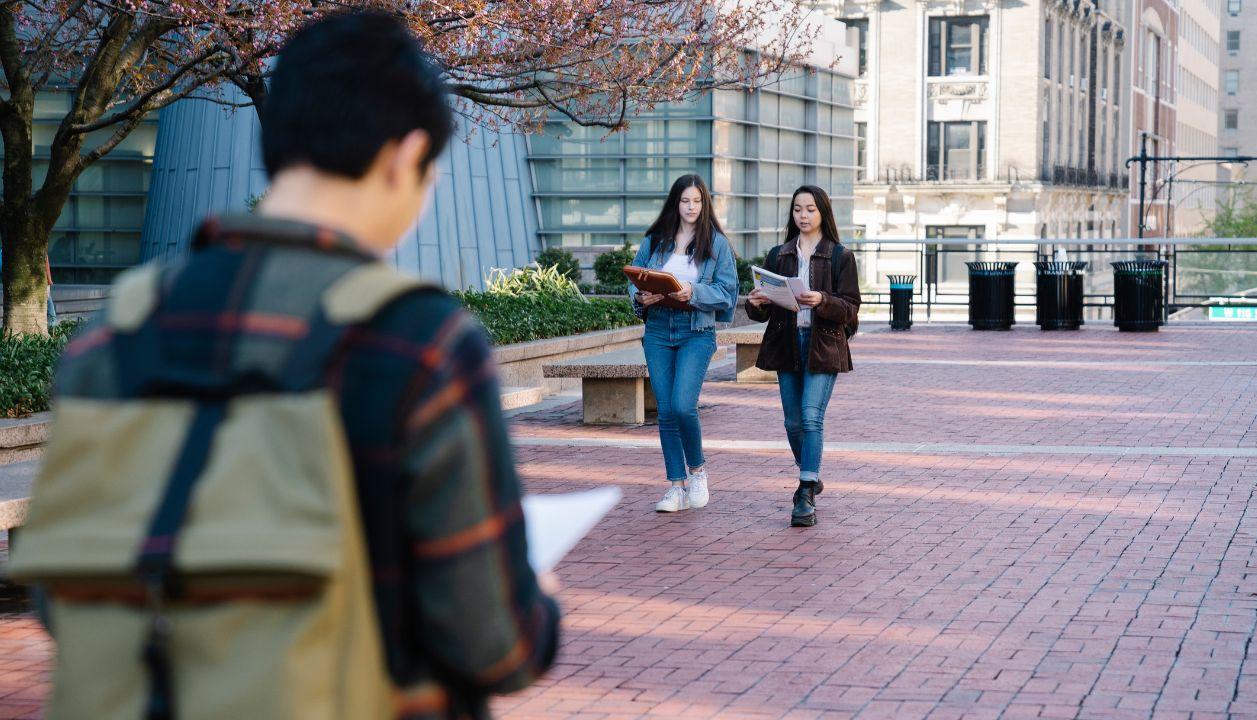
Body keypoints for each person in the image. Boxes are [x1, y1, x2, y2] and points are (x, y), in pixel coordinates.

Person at [33, 12, 558, 719]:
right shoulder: (419, 344)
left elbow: (61, 594)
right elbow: (493, 644)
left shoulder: (113, 336)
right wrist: (539, 602)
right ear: (404, 156)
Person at [746, 185, 861, 527]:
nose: (803, 215)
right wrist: (756, 303)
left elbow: (851, 308)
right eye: (798, 209)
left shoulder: (839, 256)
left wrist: (822, 301)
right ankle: (810, 471)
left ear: (823, 212)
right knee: (793, 423)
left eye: (810, 209)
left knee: (811, 417)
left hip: (822, 344)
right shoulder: (779, 255)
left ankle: (806, 491)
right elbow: (763, 313)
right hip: (787, 344)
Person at [627, 174, 738, 513]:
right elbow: (634, 277)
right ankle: (676, 486)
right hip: (659, 329)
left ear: (705, 204)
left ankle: (698, 471)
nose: (691, 207)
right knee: (665, 411)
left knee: (682, 405)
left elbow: (728, 292)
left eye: (697, 201)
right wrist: (640, 297)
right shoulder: (655, 240)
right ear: (675, 203)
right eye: (685, 201)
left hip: (696, 331)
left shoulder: (716, 244)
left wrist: (694, 291)